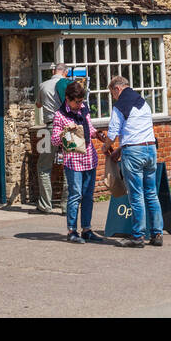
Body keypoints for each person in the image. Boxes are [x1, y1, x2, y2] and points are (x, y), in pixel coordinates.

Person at [104, 76, 163, 248]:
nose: (113, 97)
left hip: (133, 152)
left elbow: (113, 132)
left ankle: (137, 236)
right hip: (150, 149)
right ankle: (157, 233)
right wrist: (119, 150)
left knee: (136, 195)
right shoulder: (144, 103)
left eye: (112, 93)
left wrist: (106, 147)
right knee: (151, 193)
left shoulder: (120, 106)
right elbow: (138, 131)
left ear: (117, 89)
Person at [51, 79, 102, 243]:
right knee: (75, 195)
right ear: (68, 99)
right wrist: (67, 130)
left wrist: (97, 134)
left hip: (89, 156)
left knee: (88, 195)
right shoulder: (60, 115)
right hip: (73, 160)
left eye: (82, 101)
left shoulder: (84, 109)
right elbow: (54, 140)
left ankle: (86, 229)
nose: (80, 104)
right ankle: (72, 231)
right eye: (77, 102)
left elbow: (90, 127)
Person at [33, 62, 67, 214]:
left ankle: (45, 204)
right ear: (65, 73)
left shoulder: (43, 85)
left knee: (43, 166)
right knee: (70, 166)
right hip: (67, 129)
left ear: (54, 70)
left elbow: (38, 105)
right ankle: (67, 206)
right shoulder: (68, 85)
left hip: (49, 128)